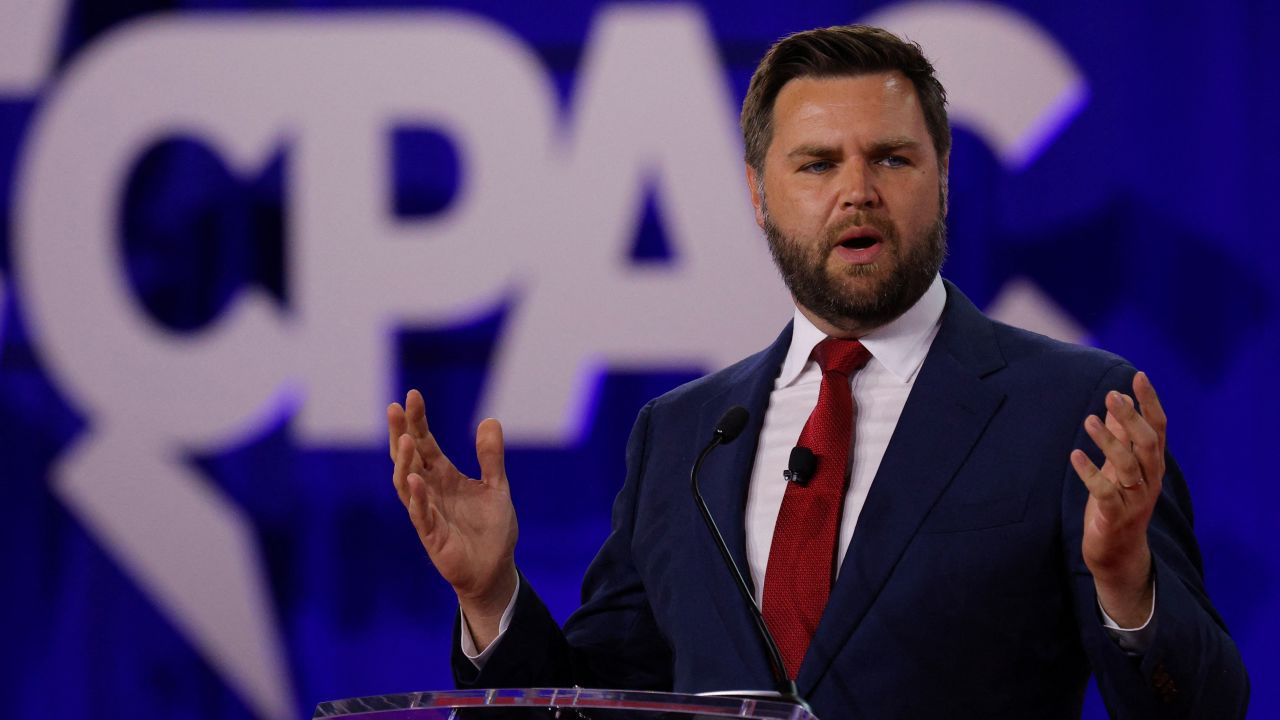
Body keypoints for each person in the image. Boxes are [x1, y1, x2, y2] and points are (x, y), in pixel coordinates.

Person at [387, 24, 1248, 718]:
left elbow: (1203, 706)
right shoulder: (682, 436)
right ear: (759, 195)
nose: (858, 190)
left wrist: (1125, 583)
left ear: (943, 181)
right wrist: (494, 596)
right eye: (818, 164)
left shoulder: (1069, 410)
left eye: (893, 158)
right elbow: (596, 700)